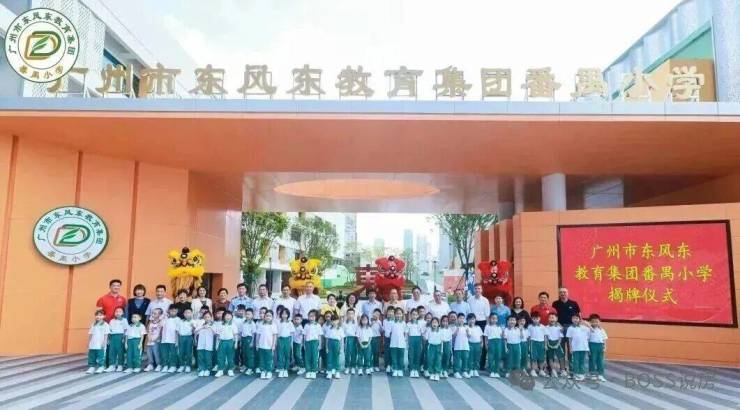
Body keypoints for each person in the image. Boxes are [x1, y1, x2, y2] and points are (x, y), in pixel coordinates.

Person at [553, 287, 580, 365]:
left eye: (564, 292)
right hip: (560, 328)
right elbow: (554, 316)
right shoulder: (555, 304)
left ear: (567, 293)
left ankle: (571, 367)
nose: (562, 294)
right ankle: (562, 368)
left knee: (571, 348)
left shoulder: (574, 303)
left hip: (571, 328)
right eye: (561, 292)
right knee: (561, 349)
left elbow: (579, 316)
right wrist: (558, 325)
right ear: (559, 294)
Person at [215, 310, 239, 377]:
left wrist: (236, 343)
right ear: (223, 317)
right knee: (220, 356)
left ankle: (230, 369)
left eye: (229, 315)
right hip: (222, 342)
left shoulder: (233, 325)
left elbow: (236, 335)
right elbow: (218, 336)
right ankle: (220, 370)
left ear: (232, 317)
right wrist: (216, 344)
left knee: (230, 356)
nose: (228, 317)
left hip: (230, 342)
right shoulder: (220, 325)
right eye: (226, 315)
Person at [566, 313, 589, 381]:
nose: (575, 320)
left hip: (583, 348)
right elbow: (570, 339)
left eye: (577, 318)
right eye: (574, 318)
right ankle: (576, 374)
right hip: (575, 348)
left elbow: (592, 332)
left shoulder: (584, 328)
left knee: (582, 361)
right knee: (575, 361)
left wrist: (587, 324)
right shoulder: (570, 328)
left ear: (579, 319)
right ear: (571, 319)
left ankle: (581, 374)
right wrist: (570, 348)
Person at [86, 309, 110, 374]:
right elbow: (90, 334)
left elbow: (106, 335)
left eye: (100, 315)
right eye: (97, 315)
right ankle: (92, 366)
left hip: (100, 344)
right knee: (92, 355)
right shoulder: (93, 324)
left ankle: (101, 366)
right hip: (93, 343)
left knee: (101, 355)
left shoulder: (105, 325)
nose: (98, 316)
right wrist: (88, 342)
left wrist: (104, 342)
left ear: (104, 316)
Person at [256, 310, 278, 379]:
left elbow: (274, 335)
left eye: (270, 316)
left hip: (269, 346)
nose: (268, 317)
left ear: (272, 317)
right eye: (267, 316)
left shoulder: (273, 325)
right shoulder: (261, 324)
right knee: (262, 359)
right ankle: (263, 371)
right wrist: (257, 344)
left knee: (269, 359)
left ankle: (269, 371)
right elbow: (258, 335)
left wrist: (273, 345)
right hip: (261, 345)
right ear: (264, 316)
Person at [106, 307, 128, 372]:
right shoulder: (112, 321)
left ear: (123, 313)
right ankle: (111, 365)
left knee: (120, 351)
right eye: (116, 311)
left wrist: (124, 338)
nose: (118, 313)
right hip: (112, 337)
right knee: (112, 351)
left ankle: (120, 365)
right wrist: (108, 338)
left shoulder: (124, 320)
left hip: (120, 336)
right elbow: (109, 330)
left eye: (120, 311)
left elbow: (126, 330)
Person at [545, 312, 566, 377]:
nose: (551, 319)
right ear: (548, 319)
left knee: (561, 357)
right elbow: (546, 337)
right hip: (549, 343)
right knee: (550, 357)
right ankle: (552, 370)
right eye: (550, 318)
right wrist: (546, 344)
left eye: (553, 317)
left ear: (556, 319)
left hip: (557, 343)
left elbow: (560, 337)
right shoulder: (546, 327)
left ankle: (562, 370)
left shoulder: (559, 327)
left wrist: (558, 344)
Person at [160, 305, 181, 373]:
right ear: (168, 310)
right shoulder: (165, 319)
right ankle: (165, 365)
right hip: (164, 339)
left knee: (173, 353)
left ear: (177, 311)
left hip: (173, 340)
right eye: (171, 311)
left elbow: (178, 331)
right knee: (164, 353)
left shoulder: (178, 319)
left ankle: (173, 366)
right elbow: (161, 326)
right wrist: (165, 315)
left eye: (175, 311)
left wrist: (177, 340)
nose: (173, 312)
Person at [388, 308, 407, 377]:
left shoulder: (403, 323)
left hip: (401, 343)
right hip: (393, 343)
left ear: (402, 315)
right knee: (394, 357)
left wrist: (404, 341)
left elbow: (405, 333)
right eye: (397, 314)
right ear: (394, 314)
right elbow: (389, 333)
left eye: (400, 314)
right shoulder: (391, 322)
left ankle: (400, 369)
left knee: (401, 357)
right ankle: (395, 369)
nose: (398, 315)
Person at [588, 313, 608, 382]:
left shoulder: (602, 330)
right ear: (590, 322)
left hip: (600, 346)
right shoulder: (589, 330)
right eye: (593, 322)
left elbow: (604, 339)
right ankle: (592, 374)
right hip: (592, 345)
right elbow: (587, 339)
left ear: (599, 322)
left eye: (597, 322)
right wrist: (588, 348)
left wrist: (605, 347)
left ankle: (600, 374)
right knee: (592, 360)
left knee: (600, 360)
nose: (595, 323)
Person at [195, 311, 215, 377]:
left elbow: (216, 333)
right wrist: (202, 327)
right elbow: (195, 331)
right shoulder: (201, 325)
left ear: (211, 317)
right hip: (201, 345)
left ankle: (208, 369)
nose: (207, 318)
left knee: (208, 358)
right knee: (201, 357)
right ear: (203, 318)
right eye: (205, 317)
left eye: (208, 317)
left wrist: (210, 327)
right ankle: (201, 369)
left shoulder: (213, 325)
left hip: (209, 345)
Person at [303, 310, 322, 379]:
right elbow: (304, 336)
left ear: (315, 317)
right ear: (308, 317)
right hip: (308, 342)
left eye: (313, 316)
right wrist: (304, 344)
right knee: (307, 357)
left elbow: (319, 336)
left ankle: (313, 371)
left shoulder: (318, 325)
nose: (311, 318)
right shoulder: (306, 325)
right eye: (310, 316)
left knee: (314, 357)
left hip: (315, 342)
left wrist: (319, 344)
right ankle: (308, 371)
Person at [325, 313, 344, 380]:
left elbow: (342, 340)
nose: (334, 322)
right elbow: (327, 339)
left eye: (335, 320)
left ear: (338, 321)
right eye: (333, 320)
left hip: (337, 343)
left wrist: (341, 348)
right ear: (331, 321)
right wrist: (326, 347)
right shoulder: (329, 329)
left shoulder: (340, 329)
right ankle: (329, 371)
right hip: (330, 343)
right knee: (329, 358)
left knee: (336, 358)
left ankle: (337, 371)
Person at [275, 308, 293, 378]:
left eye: (286, 314)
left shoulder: (290, 323)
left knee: (287, 355)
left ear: (288, 315)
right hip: (280, 339)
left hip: (287, 339)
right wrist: (276, 341)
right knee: (280, 354)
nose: (284, 315)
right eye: (282, 314)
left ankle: (286, 369)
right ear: (280, 314)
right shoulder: (278, 322)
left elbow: (291, 333)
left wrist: (291, 342)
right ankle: (281, 369)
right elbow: (276, 332)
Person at [484, 313, 503, 378]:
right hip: (491, 342)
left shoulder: (499, 327)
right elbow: (486, 336)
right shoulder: (487, 326)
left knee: (498, 357)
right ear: (490, 319)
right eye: (492, 318)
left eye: (495, 319)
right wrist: (486, 344)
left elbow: (501, 336)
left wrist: (503, 333)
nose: (494, 320)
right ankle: (491, 371)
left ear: (497, 320)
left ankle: (496, 371)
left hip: (498, 342)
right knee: (491, 357)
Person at [407, 308, 424, 378]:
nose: (414, 316)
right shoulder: (408, 324)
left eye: (416, 315)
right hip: (411, 339)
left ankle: (416, 369)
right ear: (410, 315)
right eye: (413, 314)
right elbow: (406, 333)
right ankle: (411, 369)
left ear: (418, 315)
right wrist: (407, 342)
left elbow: (422, 333)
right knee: (411, 355)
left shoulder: (420, 323)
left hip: (418, 339)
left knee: (417, 354)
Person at [528, 312, 547, 377]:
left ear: (540, 318)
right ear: (532, 319)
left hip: (541, 343)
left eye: (537, 318)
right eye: (534, 319)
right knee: (533, 357)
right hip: (533, 342)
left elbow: (545, 336)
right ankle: (533, 370)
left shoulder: (543, 327)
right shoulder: (530, 327)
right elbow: (529, 337)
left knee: (541, 357)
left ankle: (541, 370)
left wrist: (545, 345)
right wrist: (529, 345)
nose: (535, 320)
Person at [177, 307, 195, 373]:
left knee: (188, 352)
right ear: (183, 314)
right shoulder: (181, 321)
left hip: (189, 337)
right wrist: (178, 338)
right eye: (186, 313)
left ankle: (188, 365)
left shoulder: (193, 321)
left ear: (192, 313)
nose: (187, 314)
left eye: (189, 312)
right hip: (181, 337)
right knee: (181, 352)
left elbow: (194, 331)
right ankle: (181, 365)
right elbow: (178, 330)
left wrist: (193, 327)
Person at [452, 313, 470, 379]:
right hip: (457, 346)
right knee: (457, 359)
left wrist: (467, 331)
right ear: (457, 319)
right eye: (460, 318)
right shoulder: (455, 327)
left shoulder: (466, 327)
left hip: (465, 346)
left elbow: (469, 336)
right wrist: (457, 330)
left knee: (465, 359)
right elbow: (453, 336)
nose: (461, 320)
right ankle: (456, 372)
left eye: (463, 318)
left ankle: (464, 371)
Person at [240, 308, 257, 375]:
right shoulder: (243, 322)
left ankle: (250, 368)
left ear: (252, 315)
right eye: (246, 314)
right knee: (244, 354)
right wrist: (241, 341)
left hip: (249, 339)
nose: (247, 315)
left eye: (249, 314)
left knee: (249, 355)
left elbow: (253, 334)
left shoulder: (252, 323)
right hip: (243, 339)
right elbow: (241, 332)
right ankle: (245, 365)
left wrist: (252, 342)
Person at [425, 317, 443, 381]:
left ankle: (437, 373)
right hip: (431, 347)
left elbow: (442, 341)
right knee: (431, 360)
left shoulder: (440, 330)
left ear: (438, 324)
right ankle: (431, 373)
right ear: (431, 324)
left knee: (438, 360)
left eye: (436, 322)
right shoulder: (429, 330)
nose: (434, 324)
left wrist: (441, 349)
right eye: (433, 322)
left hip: (438, 346)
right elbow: (426, 338)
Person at [343, 307, 359, 374]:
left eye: (352, 314)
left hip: (354, 339)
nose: (350, 315)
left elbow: (358, 332)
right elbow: (343, 332)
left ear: (354, 315)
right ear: (346, 315)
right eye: (349, 314)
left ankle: (353, 367)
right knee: (347, 353)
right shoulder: (344, 323)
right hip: (347, 338)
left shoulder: (356, 323)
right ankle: (347, 367)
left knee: (354, 353)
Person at [467, 313, 483, 377]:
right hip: (470, 344)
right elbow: (467, 336)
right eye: (470, 319)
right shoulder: (467, 327)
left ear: (475, 320)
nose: (472, 321)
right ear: (467, 320)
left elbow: (481, 336)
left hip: (478, 344)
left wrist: (482, 343)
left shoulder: (478, 327)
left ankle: (475, 369)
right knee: (470, 357)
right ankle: (470, 369)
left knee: (477, 357)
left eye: (473, 319)